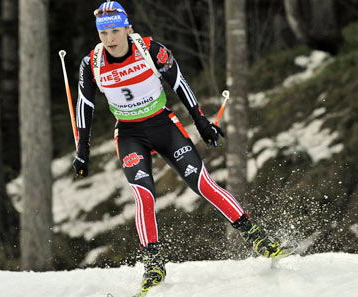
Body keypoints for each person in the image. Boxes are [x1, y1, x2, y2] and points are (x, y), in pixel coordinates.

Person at [73, 1, 294, 293]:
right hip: (129, 134)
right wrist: (82, 151)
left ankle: (258, 238)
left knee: (202, 183)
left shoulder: (151, 50)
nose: (110, 39)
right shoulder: (92, 63)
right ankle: (153, 264)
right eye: (103, 33)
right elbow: (84, 106)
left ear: (128, 28)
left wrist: (202, 124)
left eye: (115, 31)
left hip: (164, 126)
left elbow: (180, 83)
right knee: (144, 195)